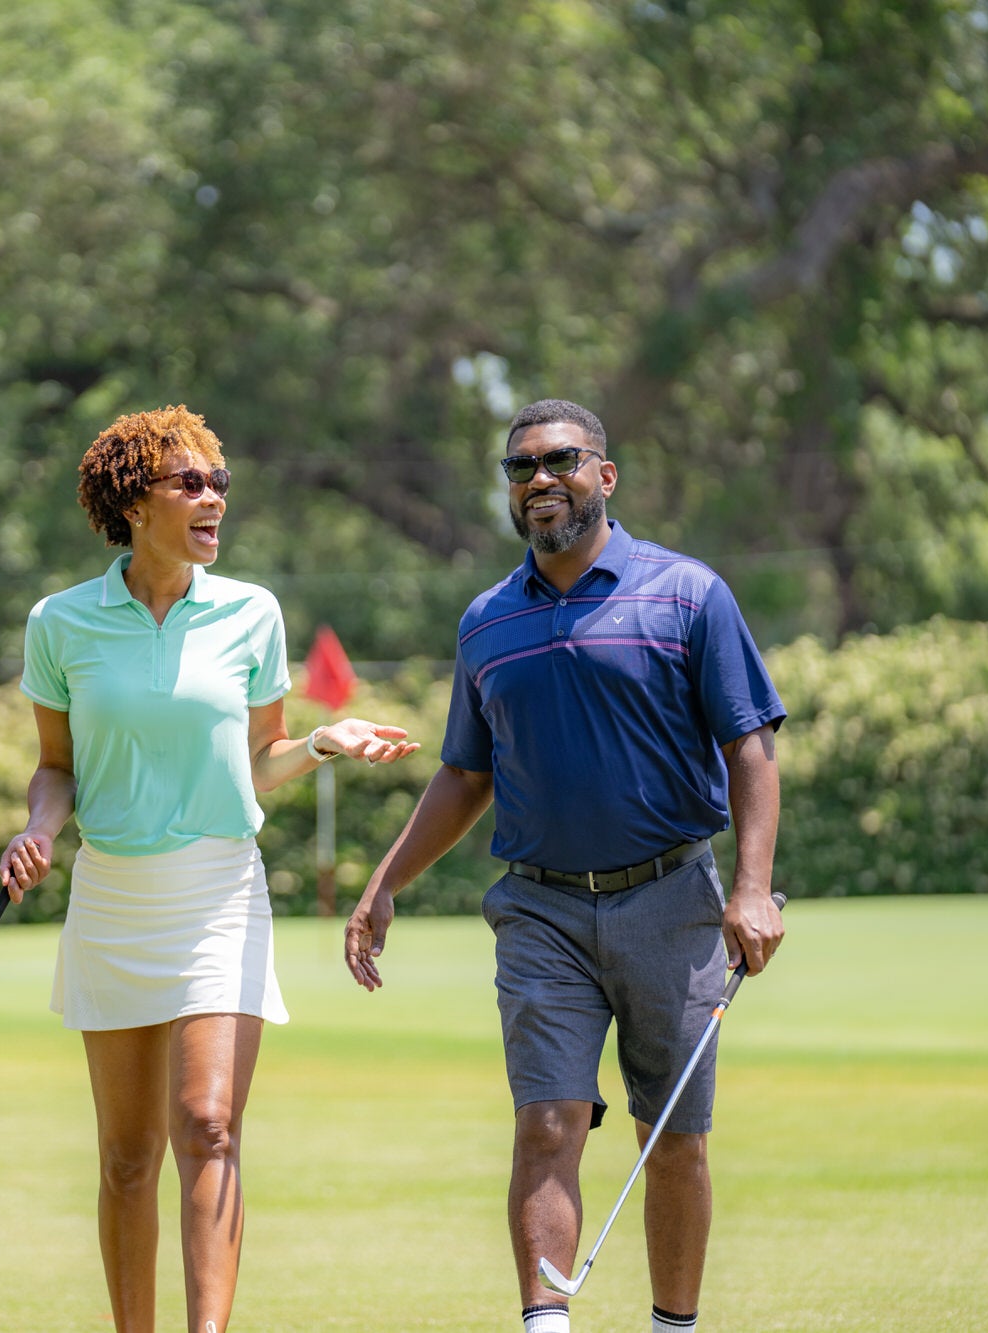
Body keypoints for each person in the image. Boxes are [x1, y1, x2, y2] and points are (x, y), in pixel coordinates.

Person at [342, 398, 786, 1333]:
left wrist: (749, 886)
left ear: (605, 476)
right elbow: (465, 774)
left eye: (561, 461)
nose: (540, 480)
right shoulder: (486, 622)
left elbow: (750, 746)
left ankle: (675, 1325)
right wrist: (385, 884)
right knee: (546, 1123)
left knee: (671, 1139)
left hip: (671, 900)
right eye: (520, 468)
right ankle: (546, 1326)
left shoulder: (688, 594)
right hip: (540, 912)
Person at [0, 404, 418, 1333]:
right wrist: (36, 827)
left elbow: (261, 757)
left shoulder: (251, 612)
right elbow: (58, 766)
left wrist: (322, 739)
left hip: (219, 890)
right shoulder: (61, 623)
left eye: (219, 483)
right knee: (125, 1157)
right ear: (131, 500)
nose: (212, 498)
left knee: (210, 1125)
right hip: (113, 896)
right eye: (188, 482)